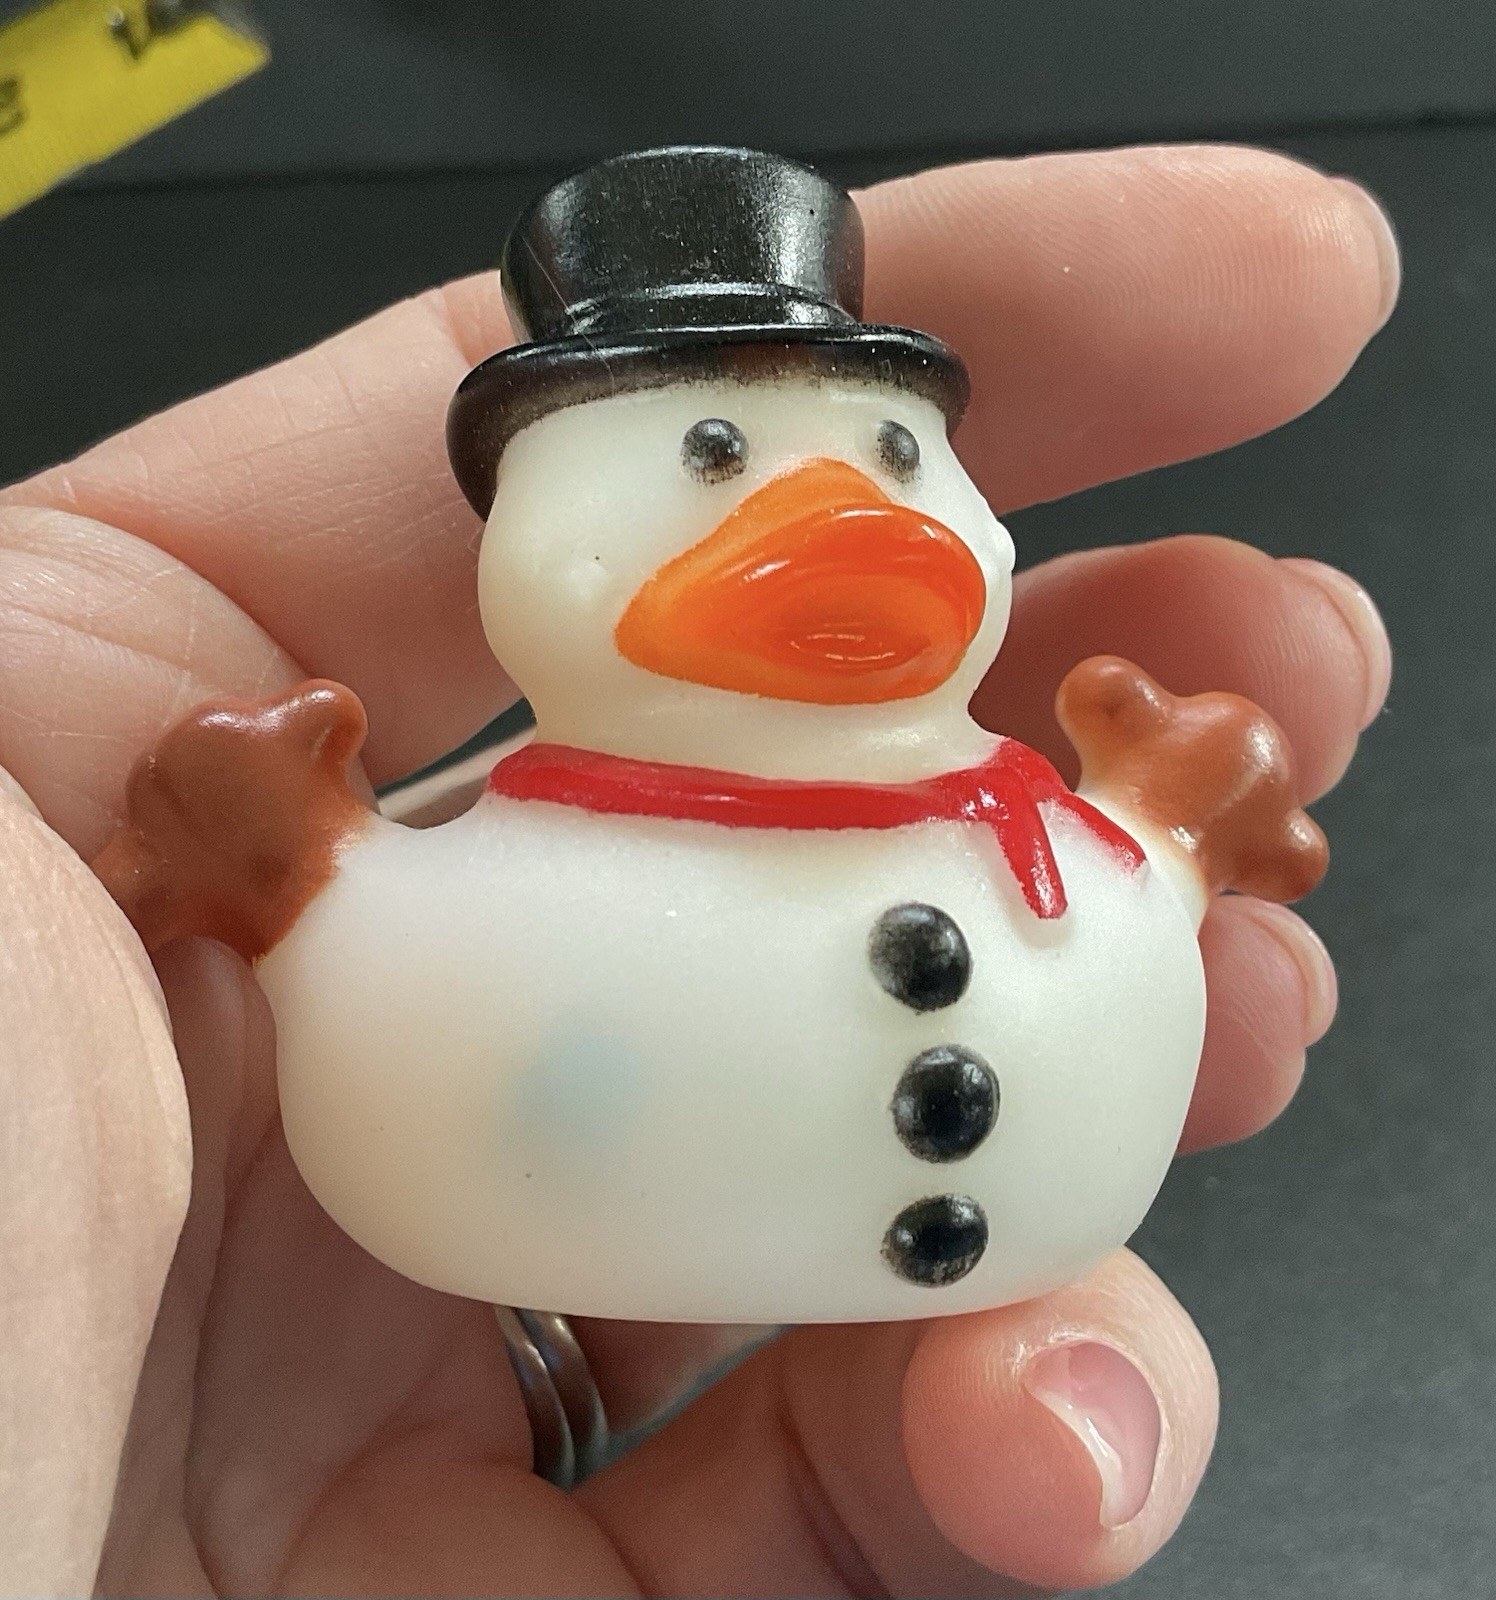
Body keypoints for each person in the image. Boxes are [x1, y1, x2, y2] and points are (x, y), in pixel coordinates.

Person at [0, 142, 1396, 1598]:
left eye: (897, 457)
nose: (851, 519)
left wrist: (1171, 829)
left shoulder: (1033, 839)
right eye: (712, 458)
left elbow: (1138, 904)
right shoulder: (517, 900)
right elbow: (389, 1005)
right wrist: (298, 876)